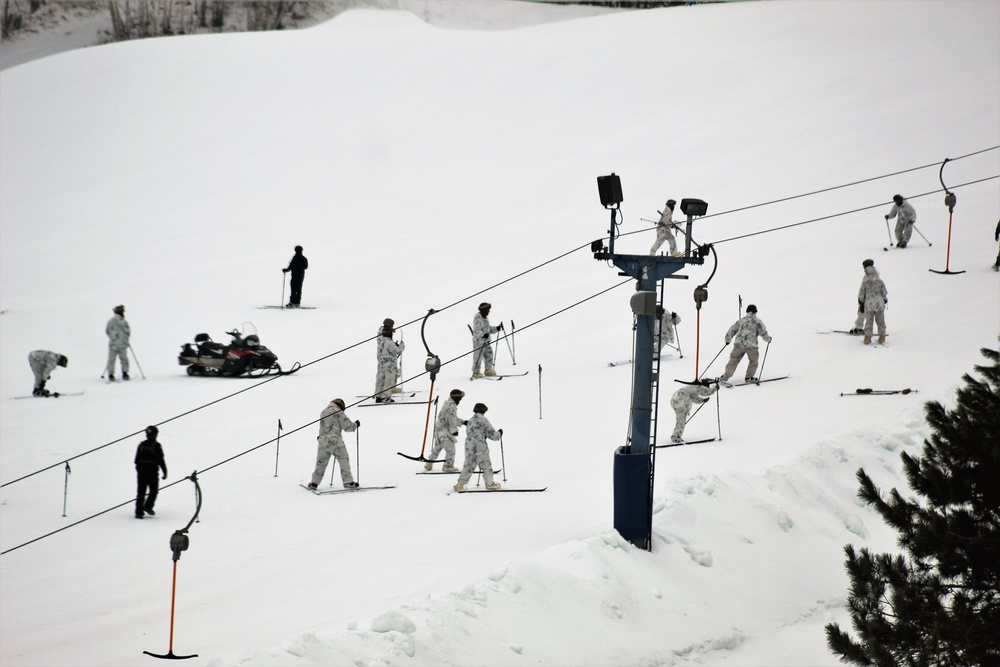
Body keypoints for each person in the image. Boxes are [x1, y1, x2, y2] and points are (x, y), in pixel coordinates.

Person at [307, 398, 360, 490]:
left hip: (323, 441)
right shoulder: (339, 412)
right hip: (336, 441)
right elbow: (347, 427)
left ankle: (314, 483)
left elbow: (323, 427)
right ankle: (348, 482)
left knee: (321, 462)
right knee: (343, 459)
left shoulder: (323, 412)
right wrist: (355, 425)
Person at [455, 403, 501, 492]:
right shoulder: (483, 420)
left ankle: (460, 484)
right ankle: (489, 483)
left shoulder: (471, 420)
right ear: (484, 411)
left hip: (469, 444)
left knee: (468, 464)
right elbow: (493, 435)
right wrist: (499, 433)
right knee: (486, 464)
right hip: (479, 445)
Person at [720, 304, 772, 383]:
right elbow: (763, 332)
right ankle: (749, 377)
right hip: (751, 345)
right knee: (753, 361)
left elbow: (732, 329)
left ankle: (726, 375)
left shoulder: (742, 320)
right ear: (755, 312)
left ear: (747, 311)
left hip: (738, 344)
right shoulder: (757, 321)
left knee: (734, 360)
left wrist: (728, 339)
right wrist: (768, 339)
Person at [425, 389, 467, 471]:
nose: (461, 400)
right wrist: (454, 430)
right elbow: (451, 420)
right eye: (460, 398)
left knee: (438, 446)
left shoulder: (448, 405)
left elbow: (452, 418)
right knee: (450, 449)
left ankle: (429, 462)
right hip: (444, 431)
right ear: (456, 398)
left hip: (439, 429)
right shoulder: (451, 407)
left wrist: (463, 422)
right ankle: (448, 466)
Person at [669, 380, 718, 444]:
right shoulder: (698, 386)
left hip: (675, 399)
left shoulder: (691, 388)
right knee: (681, 419)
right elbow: (707, 392)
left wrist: (702, 400)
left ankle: (676, 435)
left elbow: (694, 398)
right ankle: (676, 436)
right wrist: (715, 388)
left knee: (681, 419)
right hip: (681, 398)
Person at [135, 425, 167, 519]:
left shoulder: (141, 445)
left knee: (141, 492)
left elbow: (136, 460)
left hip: (141, 472)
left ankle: (139, 512)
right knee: (154, 490)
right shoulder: (157, 446)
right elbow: (161, 460)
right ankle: (148, 506)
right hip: (152, 472)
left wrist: (139, 470)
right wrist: (165, 472)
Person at [374, 318, 405, 403]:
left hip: (381, 363)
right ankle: (386, 397)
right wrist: (401, 346)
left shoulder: (380, 338)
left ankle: (378, 396)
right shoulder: (388, 340)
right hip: (389, 364)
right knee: (389, 380)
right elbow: (397, 350)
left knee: (380, 380)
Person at [858, 259, 888, 345]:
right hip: (879, 304)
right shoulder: (879, 281)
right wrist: (884, 299)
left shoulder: (865, 281)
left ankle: (868, 337)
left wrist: (861, 303)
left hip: (869, 304)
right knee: (880, 320)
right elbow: (884, 291)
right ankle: (882, 336)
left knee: (869, 321)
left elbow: (861, 294)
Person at [471, 302, 501, 378]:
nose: (489, 311)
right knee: (478, 357)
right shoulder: (478, 318)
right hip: (479, 342)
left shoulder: (485, 318)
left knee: (489, 355)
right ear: (484, 310)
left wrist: (496, 329)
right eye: (488, 310)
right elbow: (476, 330)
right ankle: (476, 372)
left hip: (486, 341)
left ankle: (488, 370)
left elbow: (488, 329)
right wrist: (483, 335)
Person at [105, 304, 131, 381]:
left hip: (119, 344)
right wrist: (116, 338)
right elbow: (108, 331)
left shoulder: (123, 321)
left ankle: (113, 374)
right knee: (119, 359)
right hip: (116, 344)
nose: (123, 313)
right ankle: (121, 373)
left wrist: (125, 338)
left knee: (113, 360)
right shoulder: (113, 321)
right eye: (122, 311)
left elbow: (127, 331)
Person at [848, 259, 874, 334]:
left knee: (862, 312)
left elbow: (864, 287)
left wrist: (861, 298)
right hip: (869, 297)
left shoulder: (869, 275)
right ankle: (864, 327)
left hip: (866, 297)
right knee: (866, 312)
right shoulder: (872, 274)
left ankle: (859, 327)